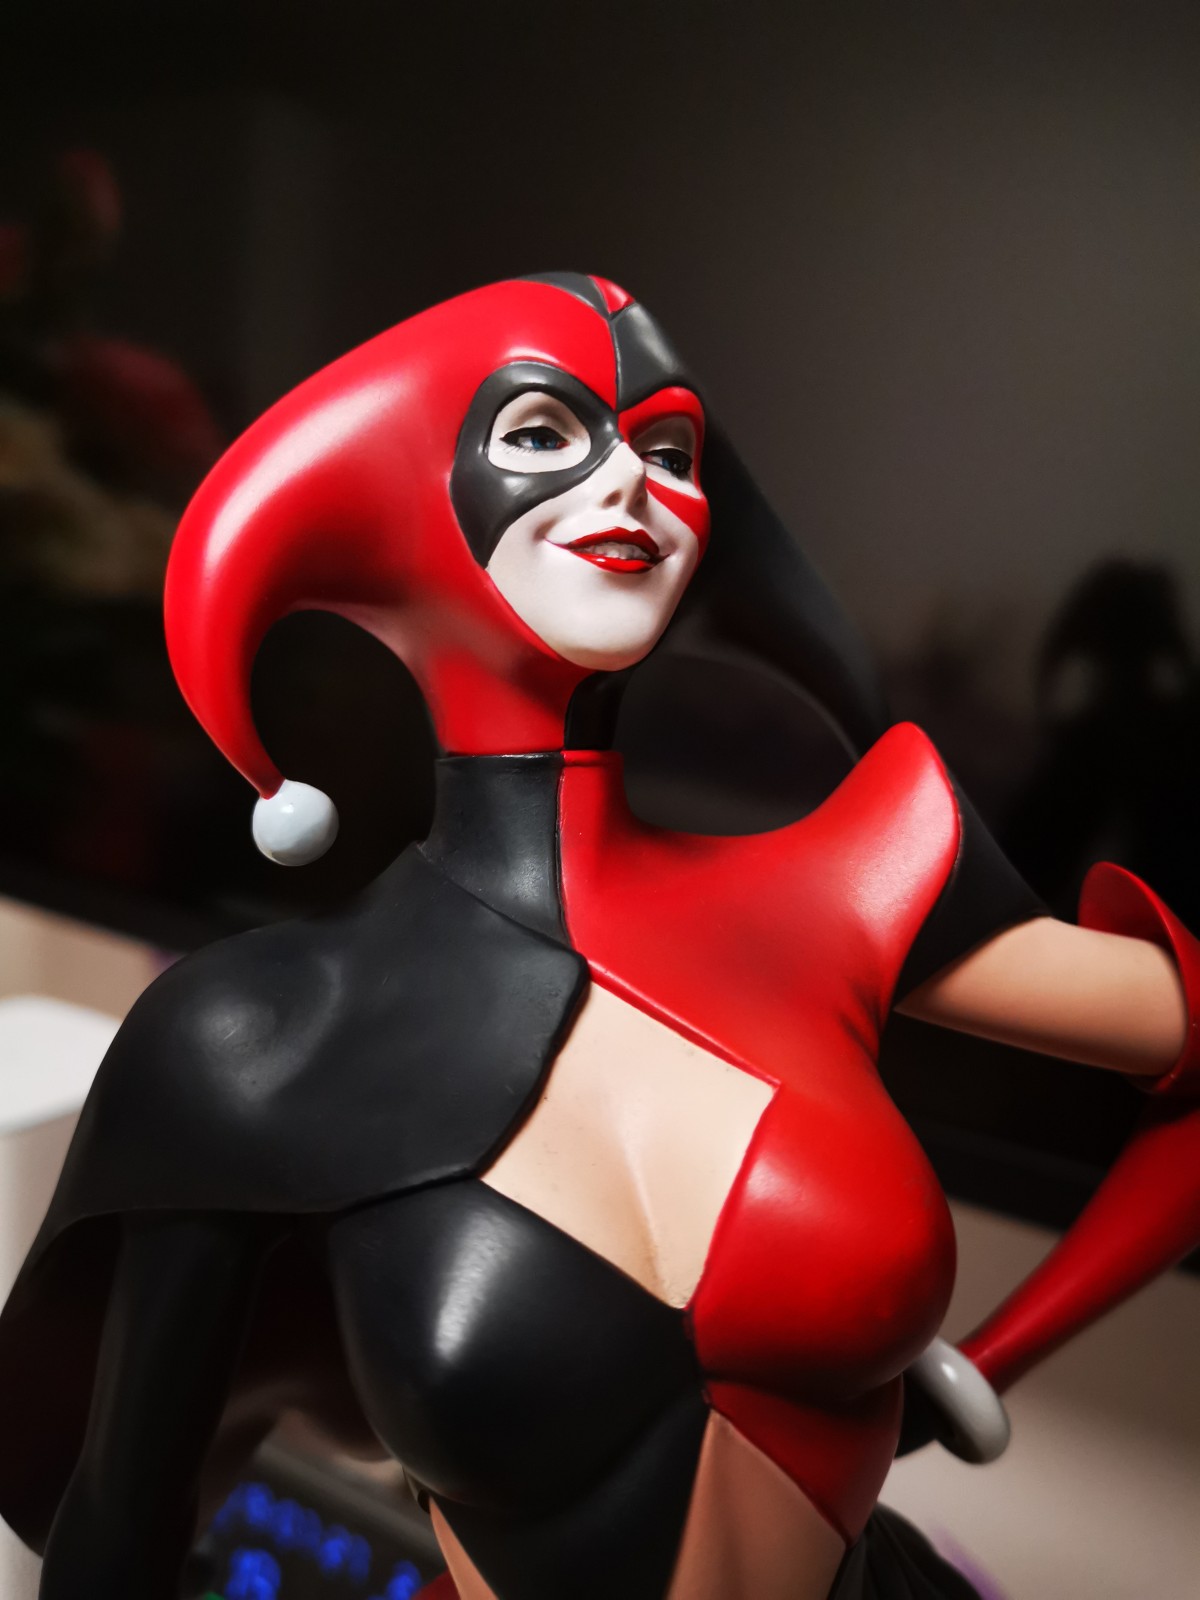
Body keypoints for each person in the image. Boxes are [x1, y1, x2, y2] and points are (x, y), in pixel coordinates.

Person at [1, 273, 1197, 1600]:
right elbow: (119, 1534)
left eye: (668, 448)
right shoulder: (255, 1041)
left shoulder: (857, 881)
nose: (632, 479)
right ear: (400, 506)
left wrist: (1002, 1354)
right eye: (541, 433)